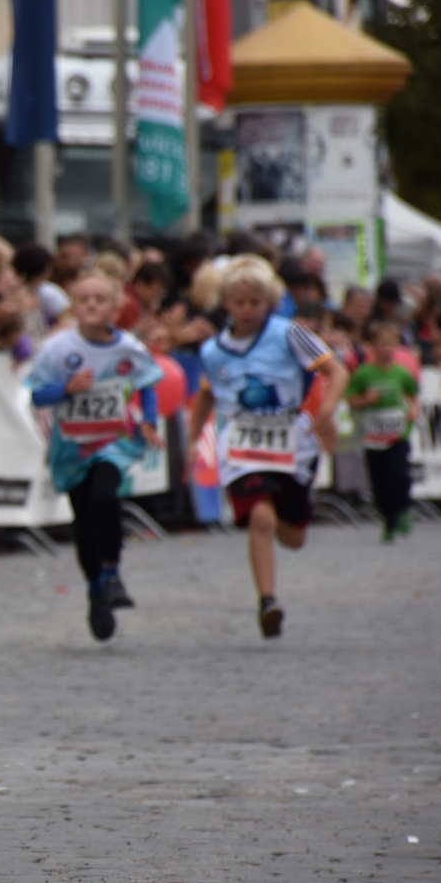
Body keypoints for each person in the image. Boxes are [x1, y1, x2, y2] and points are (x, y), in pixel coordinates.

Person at [185, 255, 348, 639]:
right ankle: (267, 601)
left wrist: (325, 412)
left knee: (293, 537)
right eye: (239, 302)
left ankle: (286, 521)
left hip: (292, 442)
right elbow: (206, 394)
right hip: (242, 446)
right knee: (261, 518)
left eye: (255, 302)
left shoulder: (289, 333)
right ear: (226, 303)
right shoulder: (213, 350)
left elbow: (336, 370)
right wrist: (193, 440)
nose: (247, 310)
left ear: (269, 301)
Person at [25, 270, 164, 642]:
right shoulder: (57, 348)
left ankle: (113, 572)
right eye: (84, 298)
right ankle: (96, 589)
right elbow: (37, 395)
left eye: (100, 299)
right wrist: (67, 388)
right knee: (84, 522)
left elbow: (148, 382)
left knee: (105, 497)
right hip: (72, 447)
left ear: (116, 308)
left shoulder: (129, 347)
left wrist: (150, 422)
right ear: (72, 306)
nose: (91, 305)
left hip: (113, 443)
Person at [345, 320, 421, 542]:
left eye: (391, 344)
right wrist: (365, 400)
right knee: (379, 483)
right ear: (372, 347)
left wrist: (414, 410)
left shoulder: (402, 373)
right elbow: (350, 399)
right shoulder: (364, 374)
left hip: (398, 434)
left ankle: (404, 508)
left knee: (399, 474)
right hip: (374, 437)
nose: (387, 349)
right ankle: (389, 520)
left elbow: (414, 396)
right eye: (382, 344)